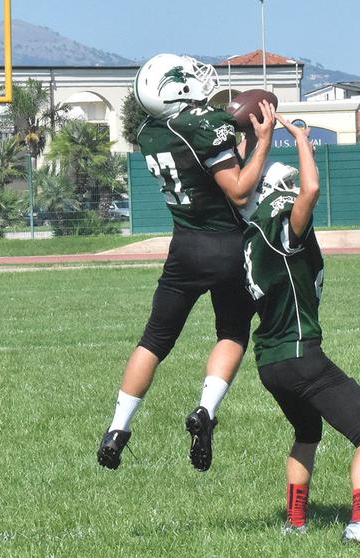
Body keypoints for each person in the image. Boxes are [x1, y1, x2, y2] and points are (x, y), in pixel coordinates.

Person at [97, 53, 276, 472]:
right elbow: (238, 192)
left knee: (154, 341)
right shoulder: (204, 124)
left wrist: (235, 141)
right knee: (232, 333)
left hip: (184, 247)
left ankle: (118, 427)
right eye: (186, 76)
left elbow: (201, 155)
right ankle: (205, 411)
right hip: (227, 245)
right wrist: (262, 141)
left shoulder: (149, 132)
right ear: (174, 88)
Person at [240, 116, 360, 544]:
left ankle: (295, 522)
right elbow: (310, 190)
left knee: (307, 432)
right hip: (300, 354)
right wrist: (303, 141)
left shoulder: (249, 239)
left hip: (270, 361)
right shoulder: (282, 231)